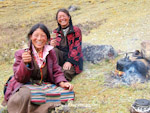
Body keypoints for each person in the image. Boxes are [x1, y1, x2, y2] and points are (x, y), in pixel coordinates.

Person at [2, 23, 74, 113]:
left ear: (47, 39)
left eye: (43, 36)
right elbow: (19, 78)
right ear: (30, 37)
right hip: (25, 86)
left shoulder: (50, 53)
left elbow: (56, 70)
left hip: (43, 85)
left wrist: (62, 82)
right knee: (26, 95)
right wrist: (25, 64)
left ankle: (41, 107)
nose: (39, 39)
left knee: (68, 93)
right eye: (36, 35)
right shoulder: (21, 53)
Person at [50, 8, 83, 81]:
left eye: (64, 16)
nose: (62, 19)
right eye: (59, 17)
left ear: (69, 17)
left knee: (65, 73)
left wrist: (69, 61)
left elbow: (77, 48)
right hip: (60, 58)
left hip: (73, 60)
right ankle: (54, 69)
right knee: (53, 50)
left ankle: (60, 78)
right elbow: (50, 49)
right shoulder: (55, 32)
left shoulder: (76, 30)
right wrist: (51, 45)